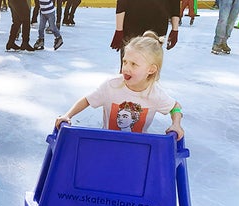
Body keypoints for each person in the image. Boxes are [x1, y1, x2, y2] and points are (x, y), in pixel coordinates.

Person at [56, 31, 184, 140]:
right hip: (108, 144)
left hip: (138, 148)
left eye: (134, 64)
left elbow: (175, 107)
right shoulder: (111, 86)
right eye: (125, 61)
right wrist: (68, 115)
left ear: (151, 69)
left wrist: (176, 124)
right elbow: (87, 100)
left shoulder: (155, 94)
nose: (126, 68)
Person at [110, 0, 180, 62]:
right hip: (144, 24)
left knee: (137, 65)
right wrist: (175, 30)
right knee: (146, 65)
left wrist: (119, 30)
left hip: (144, 24)